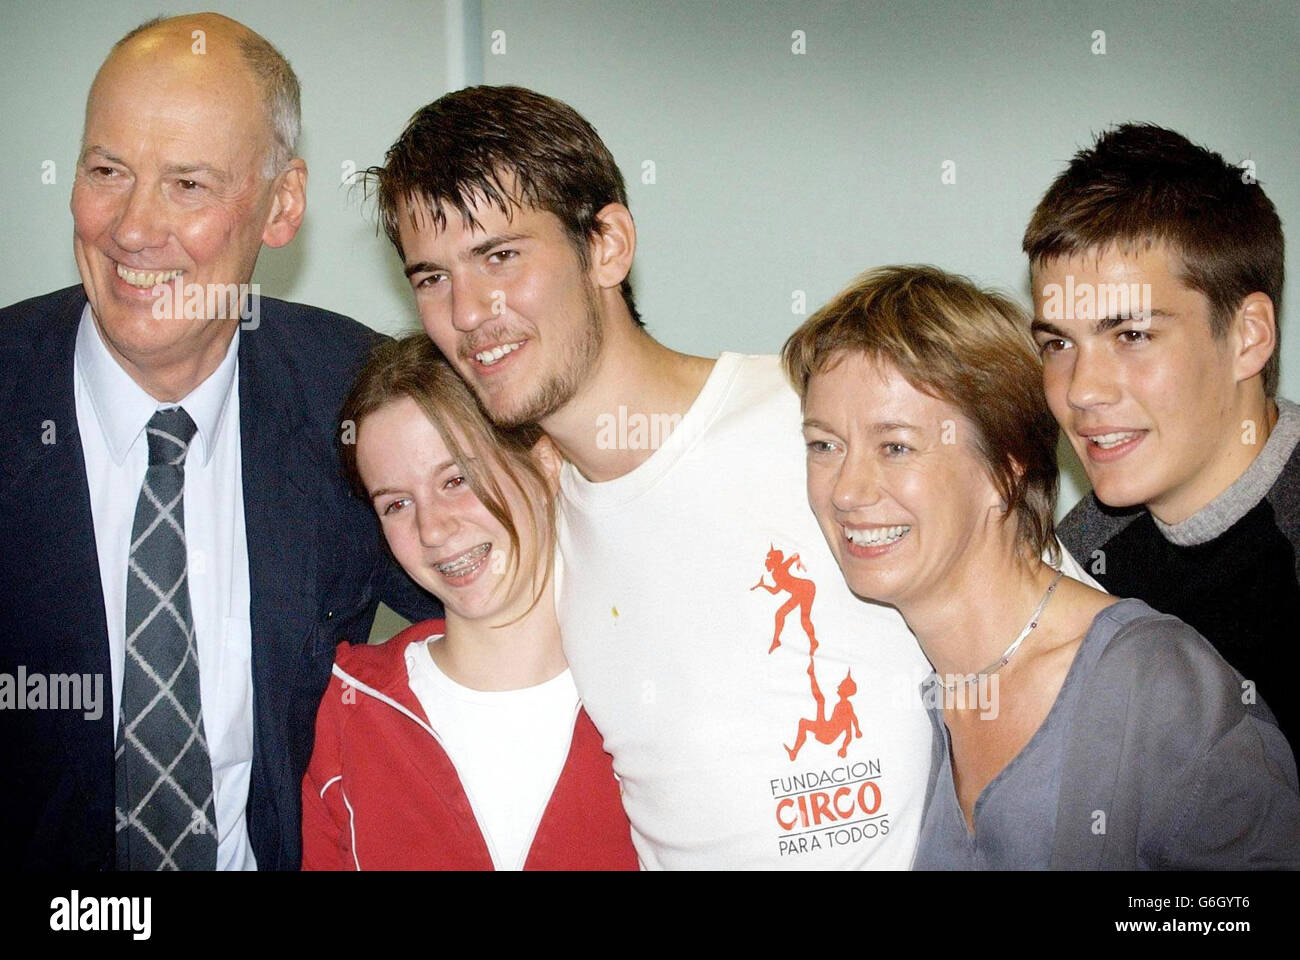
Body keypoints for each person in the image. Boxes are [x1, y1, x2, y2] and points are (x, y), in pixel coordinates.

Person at [368, 86, 1095, 867]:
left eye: (500, 256)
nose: (469, 312)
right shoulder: (533, 527)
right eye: (431, 278)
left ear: (608, 244)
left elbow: (1073, 662)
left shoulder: (817, 424)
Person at [0, 14, 439, 871]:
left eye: (188, 185)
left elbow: (505, 612)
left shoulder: (356, 397)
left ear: (281, 205)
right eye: (107, 171)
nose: (132, 228)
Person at [782, 263, 1300, 868]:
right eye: (824, 445)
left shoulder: (1152, 683)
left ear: (1005, 469)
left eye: (896, 446)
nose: (846, 490)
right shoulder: (897, 692)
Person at [302, 335, 637, 870]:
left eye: (456, 479)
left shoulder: (653, 687)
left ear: (547, 464)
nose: (432, 529)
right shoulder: (353, 706)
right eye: (396, 504)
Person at [1023, 123, 1299, 750]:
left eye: (1133, 336)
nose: (1082, 390)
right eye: (1058, 344)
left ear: (1248, 336)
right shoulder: (1076, 561)